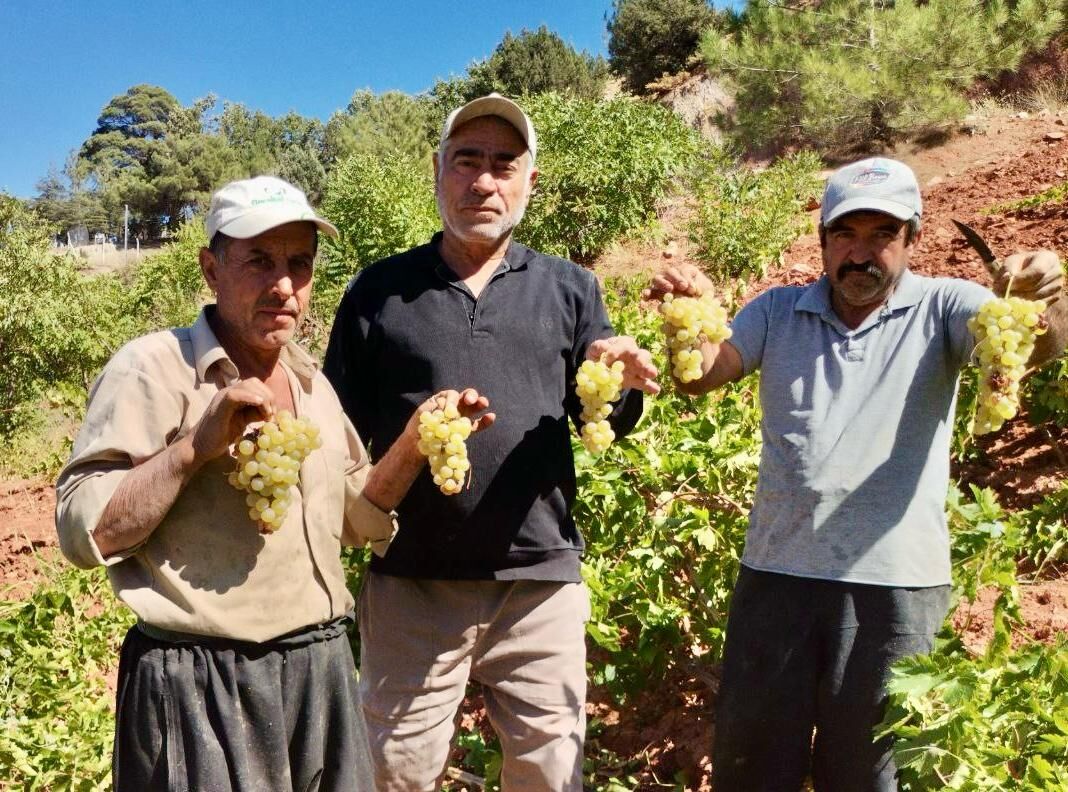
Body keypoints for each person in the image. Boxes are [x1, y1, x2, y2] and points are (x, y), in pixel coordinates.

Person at [55, 175, 491, 792]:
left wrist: (418, 440)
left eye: (299, 264)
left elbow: (357, 517)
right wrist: (193, 450)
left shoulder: (312, 384)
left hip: (320, 668)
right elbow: (86, 532)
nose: (283, 285)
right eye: (258, 260)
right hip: (202, 684)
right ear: (210, 268)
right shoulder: (154, 368)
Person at [647, 157, 1068, 791]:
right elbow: (703, 375)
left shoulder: (948, 305)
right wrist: (689, 314)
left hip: (894, 589)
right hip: (776, 576)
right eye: (845, 235)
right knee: (754, 768)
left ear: (912, 239)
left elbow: (1020, 349)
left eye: (882, 236)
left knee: (870, 775)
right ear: (822, 239)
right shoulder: (776, 310)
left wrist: (1047, 300)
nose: (860, 254)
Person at [323, 94, 660, 791]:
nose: (484, 181)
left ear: (529, 181)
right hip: (412, 582)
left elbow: (604, 418)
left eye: (504, 165)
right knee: (392, 772)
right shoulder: (377, 294)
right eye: (467, 161)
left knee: (549, 771)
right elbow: (339, 435)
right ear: (438, 171)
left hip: (538, 582)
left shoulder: (571, 289)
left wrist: (618, 381)